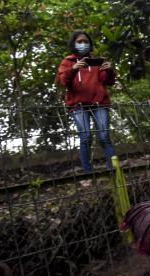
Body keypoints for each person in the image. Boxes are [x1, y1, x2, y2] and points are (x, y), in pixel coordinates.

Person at [57, 30, 116, 173]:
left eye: (86, 42)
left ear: (90, 45)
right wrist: (73, 69)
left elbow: (108, 81)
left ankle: (114, 169)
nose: (83, 44)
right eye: (80, 41)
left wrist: (109, 70)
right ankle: (88, 173)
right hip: (78, 105)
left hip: (99, 103)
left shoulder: (97, 62)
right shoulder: (67, 62)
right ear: (74, 44)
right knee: (85, 137)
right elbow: (62, 81)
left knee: (104, 136)